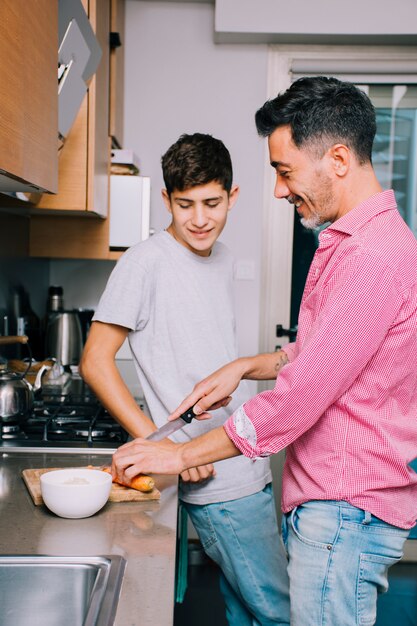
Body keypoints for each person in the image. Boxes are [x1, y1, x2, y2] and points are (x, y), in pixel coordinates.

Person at [111, 78, 417, 626]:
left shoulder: (371, 259)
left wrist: (178, 456)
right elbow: (326, 354)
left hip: (344, 512)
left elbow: (298, 400)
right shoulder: (356, 245)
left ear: (339, 160)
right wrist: (246, 366)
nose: (278, 190)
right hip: (337, 508)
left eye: (285, 170)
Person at [80, 133, 290, 626]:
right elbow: (94, 360)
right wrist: (158, 446)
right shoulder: (145, 261)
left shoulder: (219, 257)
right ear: (166, 201)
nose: (200, 219)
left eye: (212, 203)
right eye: (185, 204)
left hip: (237, 455)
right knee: (282, 614)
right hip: (218, 478)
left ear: (232, 197)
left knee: (247, 609)